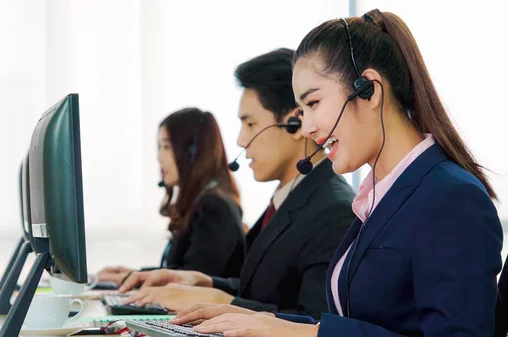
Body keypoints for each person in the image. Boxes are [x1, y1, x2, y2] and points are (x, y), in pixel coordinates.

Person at [169, 9, 504, 337]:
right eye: (301, 110)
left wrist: (308, 335)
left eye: (313, 104)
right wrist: (259, 320)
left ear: (368, 89)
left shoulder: (451, 197)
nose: (308, 127)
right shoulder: (375, 199)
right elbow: (351, 321)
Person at [119, 49, 356, 317]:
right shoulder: (291, 198)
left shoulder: (334, 211)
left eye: (251, 124)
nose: (241, 141)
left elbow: (313, 323)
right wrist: (206, 282)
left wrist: (222, 302)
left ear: (295, 123)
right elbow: (263, 292)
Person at [97, 108, 246, 283]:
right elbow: (180, 271)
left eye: (166, 147)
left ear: (193, 153)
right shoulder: (200, 204)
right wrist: (135, 274)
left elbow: (192, 280)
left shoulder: (215, 207)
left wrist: (129, 279)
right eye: (159, 147)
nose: (159, 157)